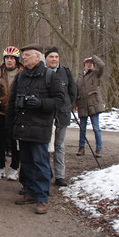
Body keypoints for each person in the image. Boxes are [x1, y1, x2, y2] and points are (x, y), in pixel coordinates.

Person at [7, 44, 65, 215]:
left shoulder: (50, 77)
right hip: (22, 126)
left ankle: (42, 198)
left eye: (27, 55)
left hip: (41, 127)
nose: (23, 58)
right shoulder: (21, 76)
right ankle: (30, 191)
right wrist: (9, 125)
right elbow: (11, 102)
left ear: (37, 57)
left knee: (40, 163)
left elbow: (60, 101)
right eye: (23, 55)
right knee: (26, 162)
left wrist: (41, 103)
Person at [44, 47, 77, 186]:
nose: (54, 59)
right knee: (44, 147)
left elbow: (73, 91)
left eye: (56, 57)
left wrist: (68, 105)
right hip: (45, 115)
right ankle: (46, 173)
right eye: (51, 57)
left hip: (62, 114)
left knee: (59, 146)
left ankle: (59, 175)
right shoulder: (42, 72)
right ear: (46, 58)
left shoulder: (65, 72)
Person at [0, 46, 24, 181]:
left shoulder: (23, 73)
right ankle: (0, 167)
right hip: (1, 112)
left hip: (16, 113)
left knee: (14, 142)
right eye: (7, 58)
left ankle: (14, 167)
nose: (9, 61)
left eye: (12, 58)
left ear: (16, 60)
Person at [75, 55, 105, 157]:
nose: (89, 65)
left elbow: (102, 66)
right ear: (84, 65)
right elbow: (76, 91)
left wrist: (94, 58)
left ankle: (99, 149)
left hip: (94, 105)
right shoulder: (79, 76)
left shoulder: (96, 74)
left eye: (91, 63)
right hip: (82, 105)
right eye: (87, 63)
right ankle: (81, 148)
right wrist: (74, 104)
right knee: (82, 128)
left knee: (96, 128)